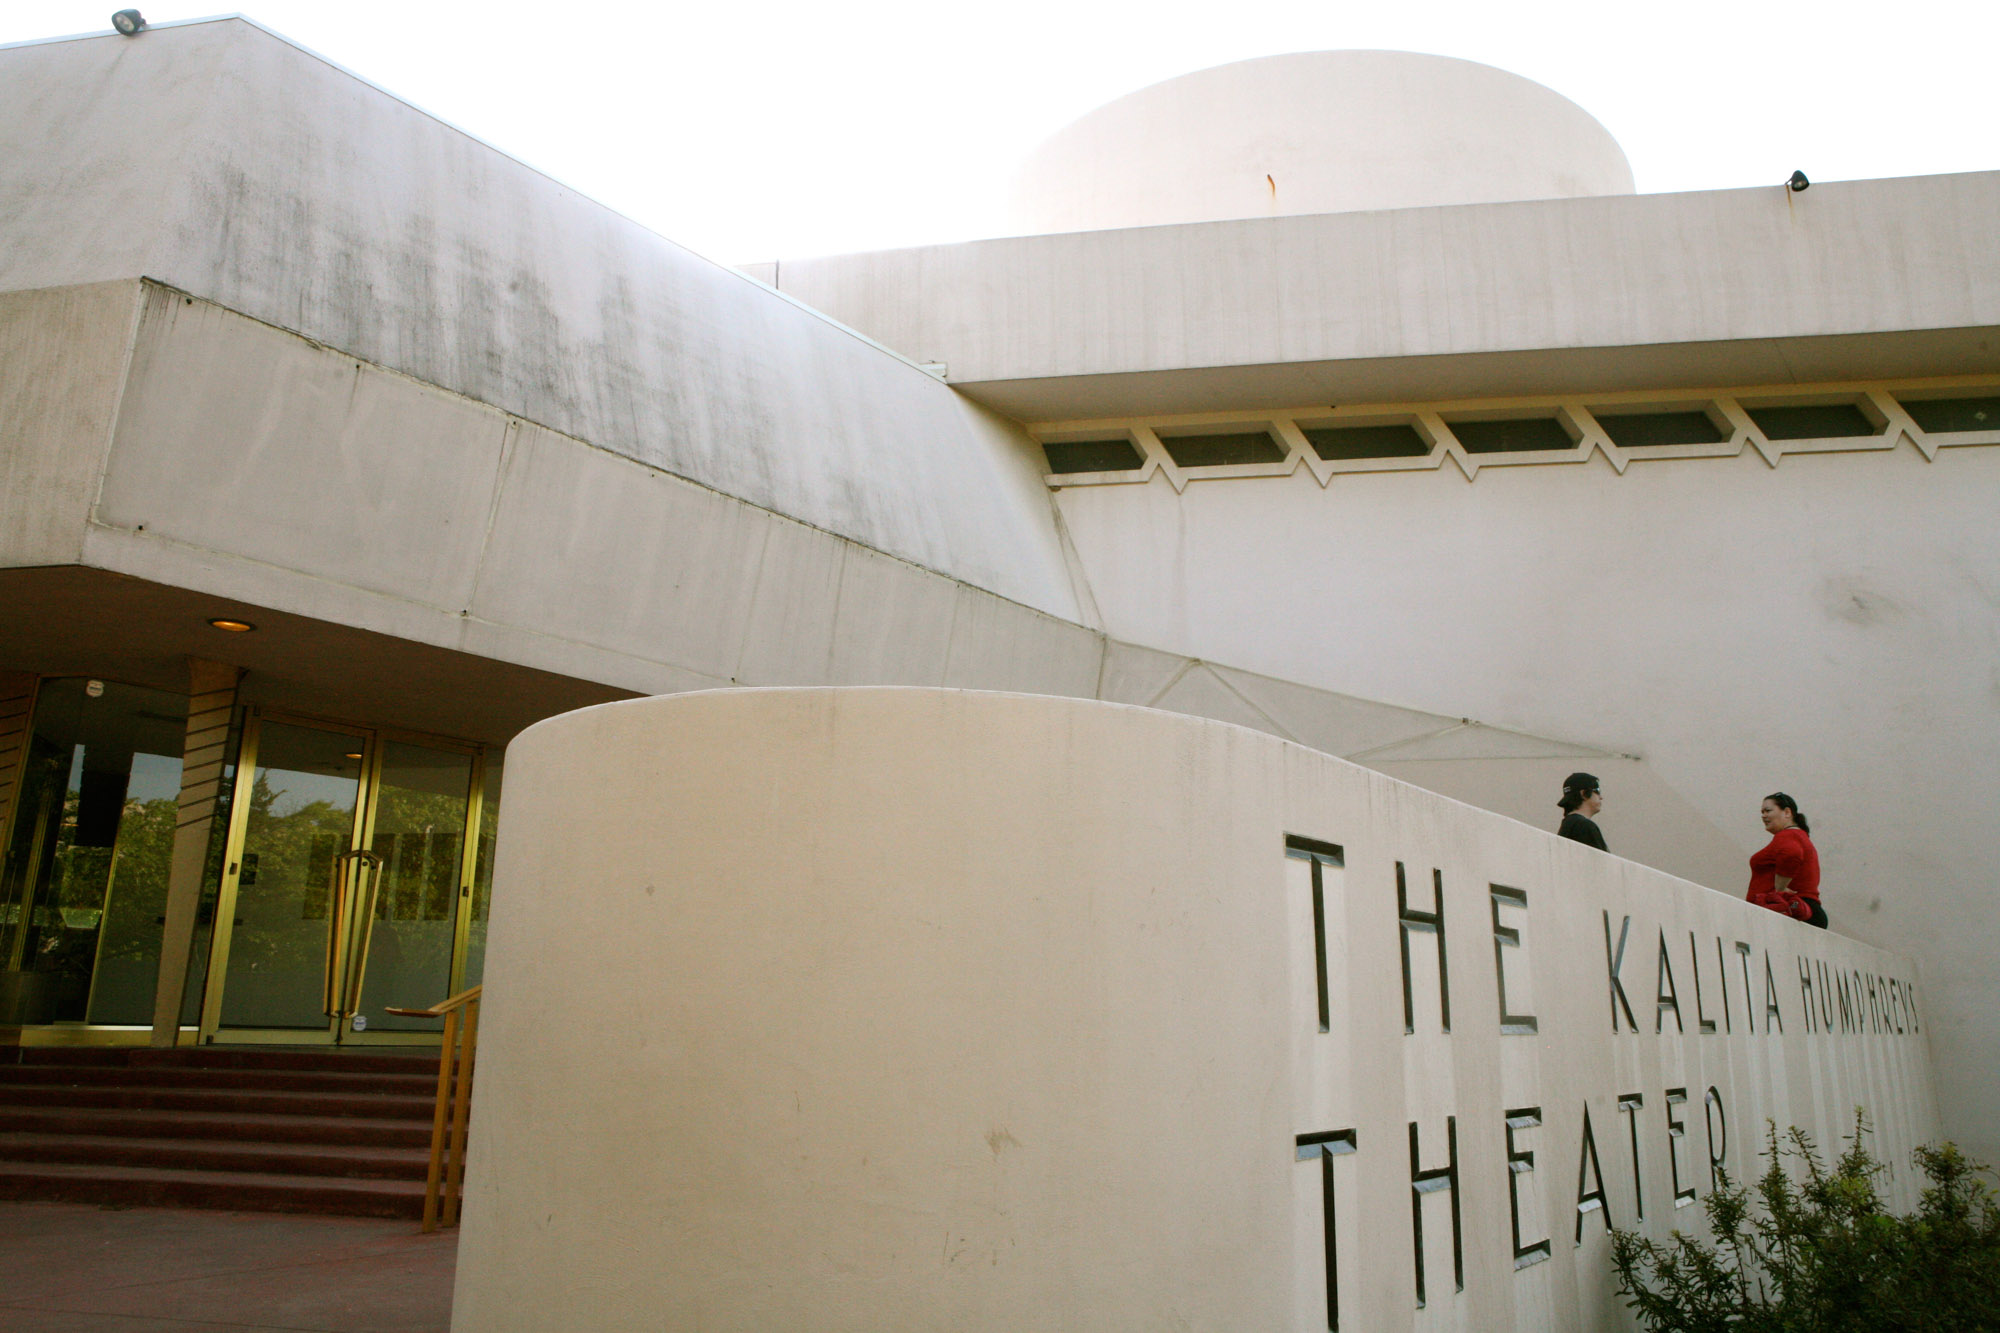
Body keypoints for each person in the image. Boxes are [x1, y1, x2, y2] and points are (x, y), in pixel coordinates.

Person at [1747, 791, 1826, 928]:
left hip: (1793, 911)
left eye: (1768, 810)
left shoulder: (1787, 836)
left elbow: (1791, 854)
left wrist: (1780, 889)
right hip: (1806, 911)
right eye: (1762, 812)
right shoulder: (1800, 836)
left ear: (1787, 812)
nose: (1763, 816)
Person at [1556, 772, 1607, 850]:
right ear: (1584, 794)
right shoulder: (1584, 826)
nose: (1601, 797)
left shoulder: (1568, 825)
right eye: (1597, 791)